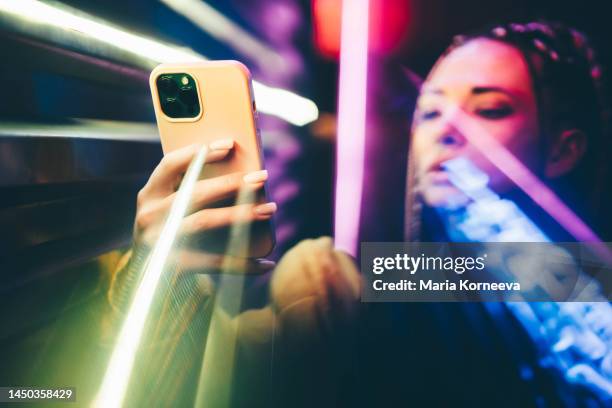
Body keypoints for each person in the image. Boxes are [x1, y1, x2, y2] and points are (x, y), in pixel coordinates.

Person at [106, 21, 611, 407]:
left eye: (490, 108)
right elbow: (187, 386)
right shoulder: (345, 291)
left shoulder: (587, 287)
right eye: (430, 112)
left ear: (566, 151)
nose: (447, 132)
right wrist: (162, 274)